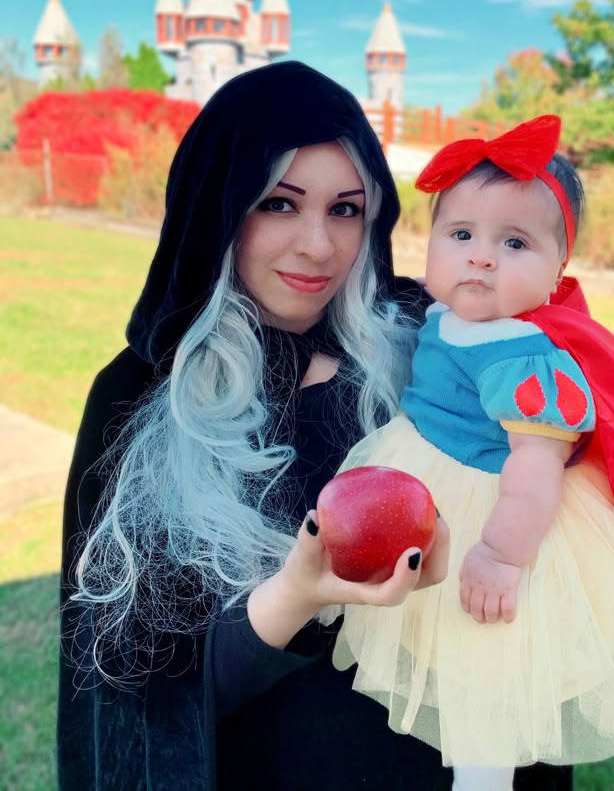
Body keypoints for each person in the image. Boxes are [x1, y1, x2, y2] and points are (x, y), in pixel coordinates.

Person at [57, 63, 573, 791]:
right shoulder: (137, 399)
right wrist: (298, 593)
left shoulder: (430, 351)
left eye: (345, 209)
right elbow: (140, 702)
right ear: (220, 206)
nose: (319, 246)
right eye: (278, 203)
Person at [329, 115, 614, 791]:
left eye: (514, 241)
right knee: (437, 639)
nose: (481, 255)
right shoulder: (448, 314)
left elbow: (536, 465)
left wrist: (502, 555)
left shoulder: (524, 355)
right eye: (461, 234)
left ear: (556, 270)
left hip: (496, 515)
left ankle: (484, 780)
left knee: (485, 665)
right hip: (432, 479)